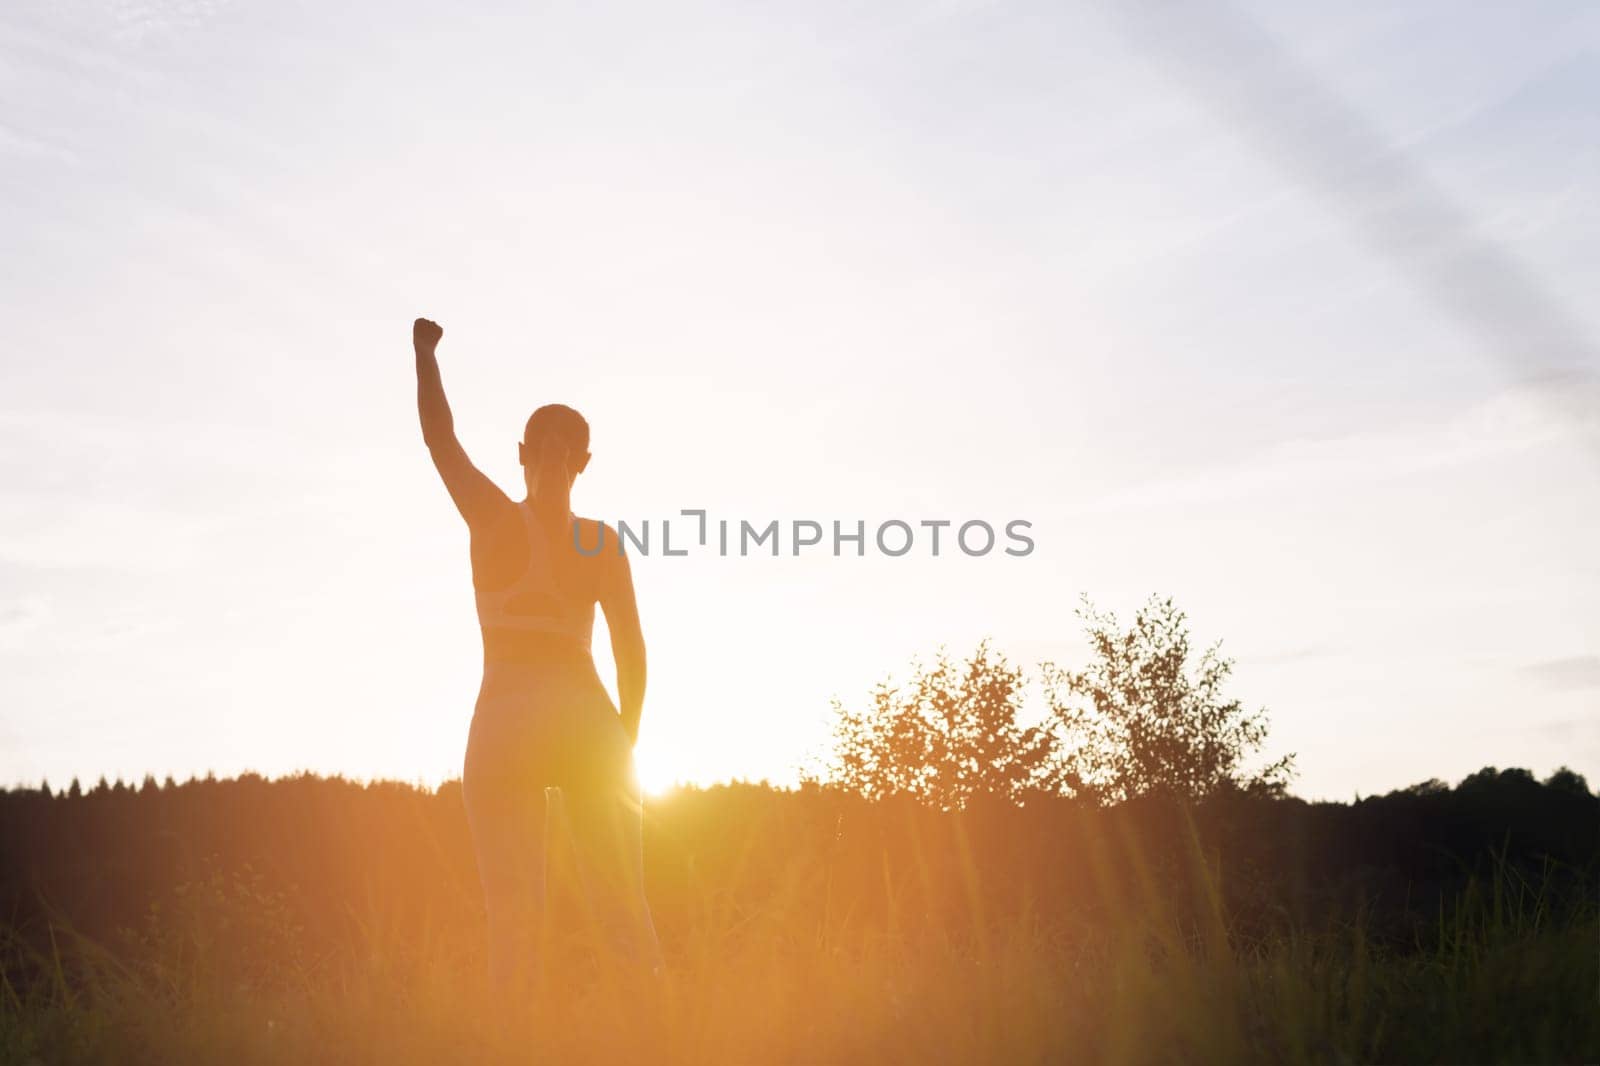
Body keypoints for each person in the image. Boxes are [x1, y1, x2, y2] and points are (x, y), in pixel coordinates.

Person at [412, 316, 662, 991]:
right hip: (566, 717)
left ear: (571, 461)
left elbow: (441, 440)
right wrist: (624, 740)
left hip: (520, 718)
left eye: (558, 450)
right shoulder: (579, 538)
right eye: (548, 449)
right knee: (614, 913)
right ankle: (653, 1034)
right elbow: (632, 654)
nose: (551, 460)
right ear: (531, 454)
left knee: (527, 920)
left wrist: (427, 354)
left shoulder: (512, 523)